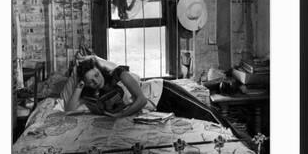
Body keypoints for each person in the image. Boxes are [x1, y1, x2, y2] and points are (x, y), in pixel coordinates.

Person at [65, 54, 228, 126]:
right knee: (198, 121)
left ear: (100, 70)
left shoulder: (119, 74)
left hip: (163, 92)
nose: (95, 81)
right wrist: (80, 85)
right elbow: (69, 110)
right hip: (158, 108)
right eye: (90, 81)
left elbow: (141, 100)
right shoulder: (98, 98)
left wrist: (121, 115)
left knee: (207, 114)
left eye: (96, 75)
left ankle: (247, 142)